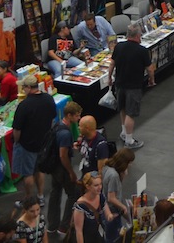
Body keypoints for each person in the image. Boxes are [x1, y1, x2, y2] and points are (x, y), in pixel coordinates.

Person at [12, 75, 57, 204]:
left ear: (28, 88)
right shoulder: (48, 99)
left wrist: (16, 141)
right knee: (39, 170)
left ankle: (28, 200)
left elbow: (17, 129)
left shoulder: (24, 105)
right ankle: (41, 195)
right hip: (43, 143)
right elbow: (53, 118)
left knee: (28, 174)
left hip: (27, 145)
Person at [113, 22, 155, 150]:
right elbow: (150, 69)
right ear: (137, 36)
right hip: (133, 87)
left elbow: (111, 64)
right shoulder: (142, 51)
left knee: (123, 109)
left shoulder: (118, 47)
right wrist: (151, 80)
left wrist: (110, 78)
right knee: (131, 113)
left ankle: (124, 133)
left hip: (119, 84)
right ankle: (129, 141)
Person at [45, 101, 83, 237]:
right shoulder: (66, 133)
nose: (79, 118)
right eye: (77, 116)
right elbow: (63, 155)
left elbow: (60, 148)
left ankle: (52, 225)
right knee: (73, 193)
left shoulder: (57, 126)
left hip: (54, 168)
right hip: (62, 169)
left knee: (55, 193)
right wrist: (71, 172)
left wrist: (70, 146)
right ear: (69, 115)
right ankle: (64, 226)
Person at [102, 148, 134, 241]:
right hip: (113, 212)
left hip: (106, 209)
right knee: (114, 238)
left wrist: (123, 175)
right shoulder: (114, 176)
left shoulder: (107, 168)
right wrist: (123, 207)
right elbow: (111, 198)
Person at [71, 170, 105, 243]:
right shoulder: (80, 206)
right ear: (87, 186)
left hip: (97, 236)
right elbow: (79, 231)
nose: (100, 187)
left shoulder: (100, 196)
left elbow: (106, 209)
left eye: (100, 184)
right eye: (96, 185)